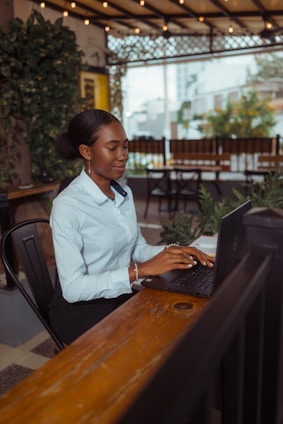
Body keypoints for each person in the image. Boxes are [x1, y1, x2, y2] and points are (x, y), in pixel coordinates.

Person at [49, 109, 215, 344]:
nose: (123, 155)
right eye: (112, 147)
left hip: (119, 293)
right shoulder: (68, 205)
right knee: (158, 338)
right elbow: (74, 289)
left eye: (125, 146)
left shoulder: (123, 193)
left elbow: (137, 248)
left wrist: (176, 251)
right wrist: (141, 271)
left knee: (180, 320)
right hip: (81, 309)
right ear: (86, 152)